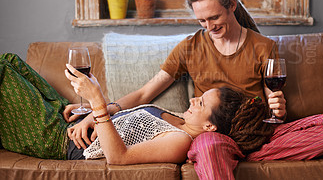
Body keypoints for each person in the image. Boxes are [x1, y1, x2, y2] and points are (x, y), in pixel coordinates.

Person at [63, 0, 323, 179]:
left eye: (214, 18)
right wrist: (97, 114)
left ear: (232, 6)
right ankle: (237, 152)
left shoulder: (264, 47)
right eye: (202, 20)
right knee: (211, 148)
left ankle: (245, 151)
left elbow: (271, 104)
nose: (209, 26)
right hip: (212, 134)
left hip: (253, 132)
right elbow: (143, 95)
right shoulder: (190, 47)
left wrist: (279, 108)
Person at [0, 53, 266, 163]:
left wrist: (97, 101)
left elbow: (119, 157)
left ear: (210, 126)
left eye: (202, 103)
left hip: (57, 140)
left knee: (2, 68)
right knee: (10, 60)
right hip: (71, 122)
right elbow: (123, 118)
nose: (195, 99)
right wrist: (89, 113)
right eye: (200, 96)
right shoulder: (177, 120)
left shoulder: (179, 141)